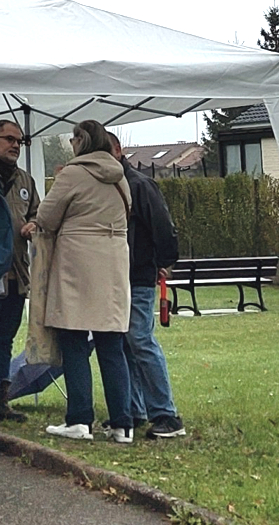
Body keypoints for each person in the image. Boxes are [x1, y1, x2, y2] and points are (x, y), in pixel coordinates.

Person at [24, 120, 132, 443]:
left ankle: (80, 418)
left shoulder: (72, 173)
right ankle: (122, 423)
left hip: (77, 263)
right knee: (111, 345)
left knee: (73, 340)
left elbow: (46, 216)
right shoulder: (119, 176)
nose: (70, 144)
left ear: (81, 141)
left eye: (73, 138)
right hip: (113, 262)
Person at [108, 133, 186, 439]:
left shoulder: (138, 185)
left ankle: (165, 413)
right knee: (127, 341)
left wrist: (165, 262)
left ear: (117, 150)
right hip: (121, 274)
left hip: (138, 273)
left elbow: (162, 225)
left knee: (139, 339)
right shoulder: (118, 186)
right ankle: (136, 409)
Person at [0, 120, 40, 422]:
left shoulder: (24, 181)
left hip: (17, 274)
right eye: (9, 139)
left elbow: (36, 214)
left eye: (20, 140)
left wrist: (33, 225)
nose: (16, 145)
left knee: (4, 340)